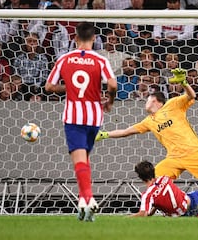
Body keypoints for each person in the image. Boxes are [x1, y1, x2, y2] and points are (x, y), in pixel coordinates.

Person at [96, 68, 198, 217]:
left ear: (155, 100)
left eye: (148, 98)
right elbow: (125, 132)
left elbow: (191, 95)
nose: (145, 101)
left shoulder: (172, 105)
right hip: (174, 158)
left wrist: (183, 82)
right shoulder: (148, 121)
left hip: (193, 152)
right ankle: (153, 211)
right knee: (154, 181)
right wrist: (104, 134)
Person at [44, 22, 117, 222]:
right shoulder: (100, 60)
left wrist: (69, 89)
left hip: (73, 117)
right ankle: (83, 206)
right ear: (94, 39)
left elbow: (49, 86)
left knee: (79, 162)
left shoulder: (64, 59)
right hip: (94, 117)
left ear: (75, 38)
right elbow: (112, 84)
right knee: (85, 161)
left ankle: (89, 200)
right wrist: (109, 101)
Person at [132, 160, 198, 217]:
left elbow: (144, 213)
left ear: (140, 177)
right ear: (153, 171)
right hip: (191, 202)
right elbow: (161, 191)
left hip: (179, 216)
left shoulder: (147, 195)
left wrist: (127, 218)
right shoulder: (165, 178)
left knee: (181, 212)